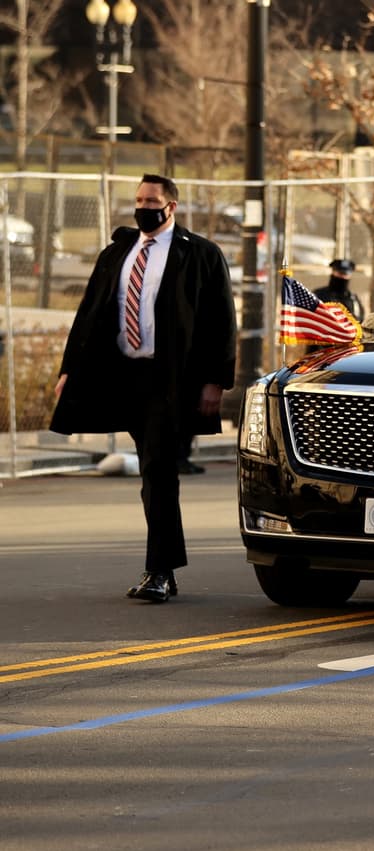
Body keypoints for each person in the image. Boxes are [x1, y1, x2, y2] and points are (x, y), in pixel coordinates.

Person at [50, 174, 236, 603]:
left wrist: (216, 381)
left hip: (168, 379)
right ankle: (162, 565)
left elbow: (221, 320)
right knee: (152, 470)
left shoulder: (200, 254)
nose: (142, 207)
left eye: (151, 201)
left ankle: (160, 571)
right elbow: (90, 312)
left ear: (171, 206)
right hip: (121, 374)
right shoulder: (118, 251)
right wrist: (69, 370)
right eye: (138, 200)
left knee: (158, 468)